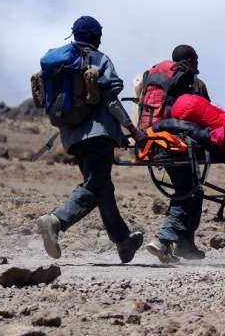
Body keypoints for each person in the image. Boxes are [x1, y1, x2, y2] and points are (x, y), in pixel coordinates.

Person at [36, 16, 145, 263]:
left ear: (74, 35)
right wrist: (132, 128)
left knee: (102, 187)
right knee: (96, 185)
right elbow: (111, 99)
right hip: (98, 134)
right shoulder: (99, 59)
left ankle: (123, 241)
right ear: (96, 36)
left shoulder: (58, 63)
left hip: (71, 135)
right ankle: (55, 221)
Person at [145, 45, 210, 263]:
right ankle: (163, 240)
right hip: (180, 145)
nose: (198, 64)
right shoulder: (194, 82)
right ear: (190, 60)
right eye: (196, 59)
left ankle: (185, 245)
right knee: (188, 191)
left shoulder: (154, 78)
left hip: (155, 140)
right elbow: (205, 114)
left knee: (192, 191)